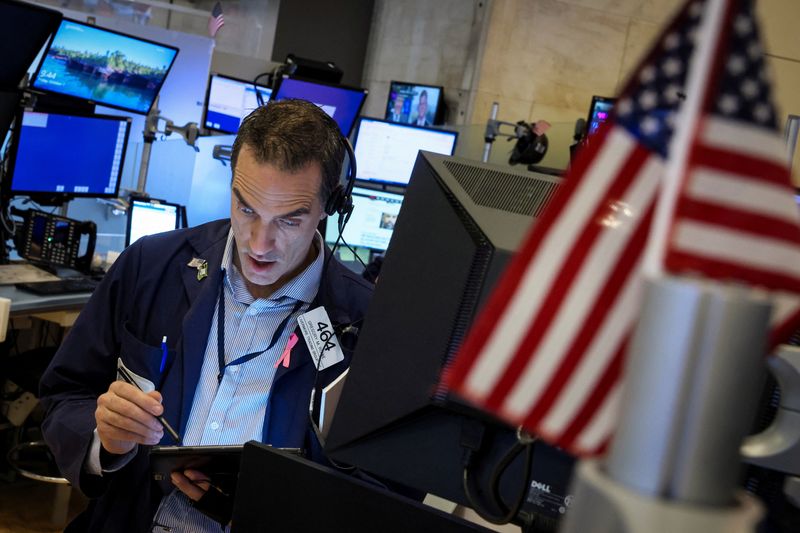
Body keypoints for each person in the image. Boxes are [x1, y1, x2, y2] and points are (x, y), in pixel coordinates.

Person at [39, 99, 373, 532]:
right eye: (247, 208)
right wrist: (104, 439)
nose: (259, 244)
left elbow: (377, 493)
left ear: (331, 205)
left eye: (289, 220)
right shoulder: (151, 264)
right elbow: (65, 391)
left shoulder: (362, 325)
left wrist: (261, 513)